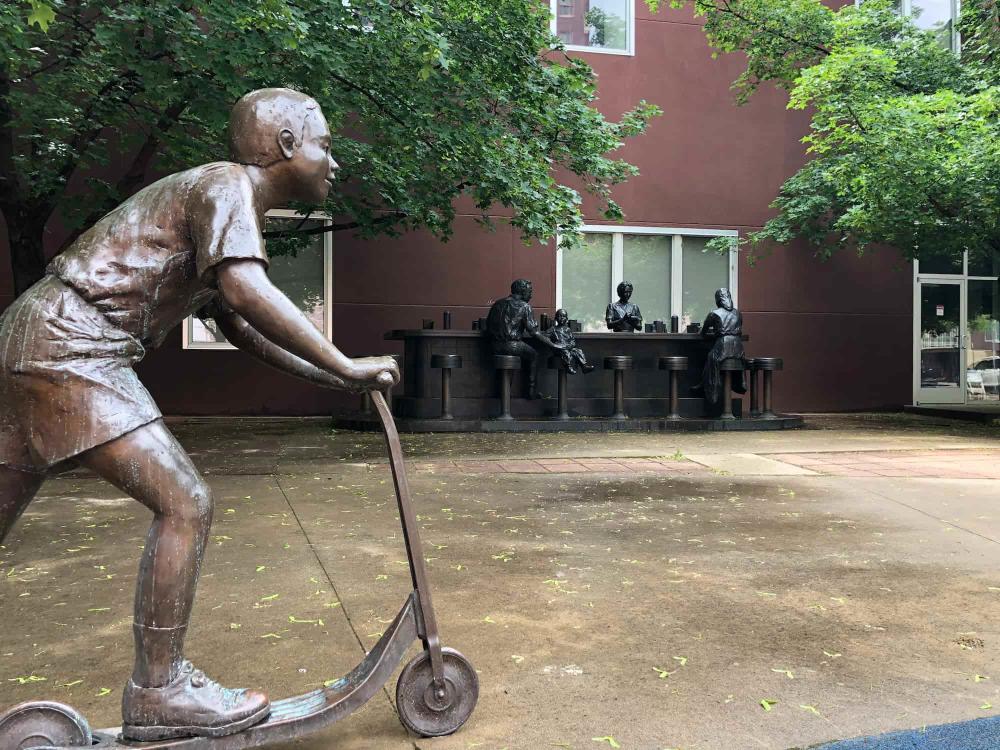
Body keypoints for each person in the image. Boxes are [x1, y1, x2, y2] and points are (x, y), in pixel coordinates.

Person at [0, 88, 399, 741]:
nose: (336, 162)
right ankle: (159, 691)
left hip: (27, 338)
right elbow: (248, 290)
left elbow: (240, 324)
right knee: (185, 502)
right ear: (288, 146)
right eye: (326, 145)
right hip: (72, 349)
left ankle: (162, 689)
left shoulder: (215, 204)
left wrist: (335, 373)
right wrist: (345, 364)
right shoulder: (225, 185)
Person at [485, 279, 555, 399]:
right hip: (512, 345)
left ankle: (502, 394)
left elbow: (488, 326)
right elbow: (534, 332)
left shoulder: (497, 304)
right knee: (534, 355)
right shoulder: (524, 306)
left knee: (507, 365)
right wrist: (552, 345)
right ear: (522, 291)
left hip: (494, 346)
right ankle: (531, 391)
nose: (531, 294)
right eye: (529, 291)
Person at [696, 287, 745, 412]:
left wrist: (715, 332)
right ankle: (741, 383)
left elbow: (703, 333)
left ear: (718, 300)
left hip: (723, 345)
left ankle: (711, 390)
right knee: (712, 357)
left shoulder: (715, 313)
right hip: (738, 348)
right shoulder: (738, 313)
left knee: (711, 357)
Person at [547, 309, 594, 375]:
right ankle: (568, 366)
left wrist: (570, 345)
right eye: (560, 316)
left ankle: (584, 366)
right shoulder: (552, 329)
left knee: (578, 351)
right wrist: (553, 345)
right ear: (556, 318)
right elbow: (545, 338)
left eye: (564, 316)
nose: (562, 318)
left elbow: (573, 341)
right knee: (565, 352)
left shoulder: (567, 329)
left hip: (567, 347)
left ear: (566, 318)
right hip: (558, 349)